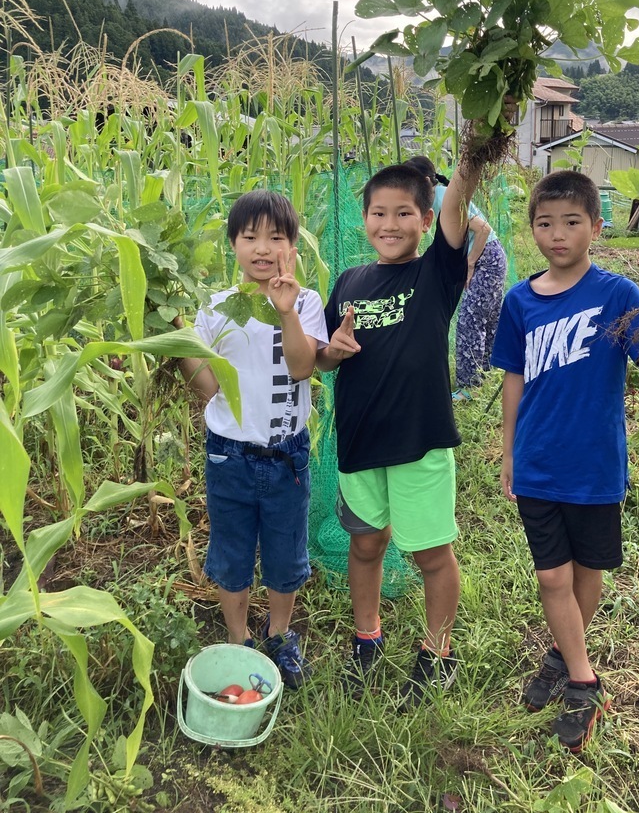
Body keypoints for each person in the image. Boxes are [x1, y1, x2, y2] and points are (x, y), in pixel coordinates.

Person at [490, 170, 639, 752]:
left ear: (596, 228)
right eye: (545, 223)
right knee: (551, 574)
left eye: (571, 222)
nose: (557, 234)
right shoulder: (520, 301)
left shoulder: (618, 295)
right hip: (537, 462)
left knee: (586, 574)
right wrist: (508, 451)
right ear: (532, 230)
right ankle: (585, 682)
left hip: (596, 465)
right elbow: (513, 378)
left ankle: (560, 655)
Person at [316, 160, 483, 709]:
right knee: (366, 546)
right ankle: (368, 638)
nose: (389, 223)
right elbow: (322, 357)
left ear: (427, 219)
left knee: (432, 553)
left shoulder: (436, 273)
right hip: (361, 445)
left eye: (404, 213)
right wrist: (330, 353)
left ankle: (438, 653)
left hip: (420, 444)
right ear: (364, 218)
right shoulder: (348, 282)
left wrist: (475, 150)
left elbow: (459, 202)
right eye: (378, 213)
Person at [175, 190, 328, 689]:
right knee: (232, 552)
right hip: (228, 454)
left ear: (292, 246)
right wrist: (177, 334)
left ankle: (280, 635)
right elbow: (208, 386)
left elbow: (303, 367)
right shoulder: (216, 308)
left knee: (286, 554)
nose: (262, 248)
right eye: (249, 237)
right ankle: (239, 638)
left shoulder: (304, 302)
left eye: (276, 237)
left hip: (286, 454)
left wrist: (284, 310)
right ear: (233, 244)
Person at [404, 156, 508, 400]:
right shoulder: (438, 195)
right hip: (492, 256)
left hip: (486, 257)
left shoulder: (439, 197)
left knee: (470, 321)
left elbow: (483, 229)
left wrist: (470, 262)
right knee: (487, 318)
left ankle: (469, 387)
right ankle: (487, 372)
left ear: (427, 181)